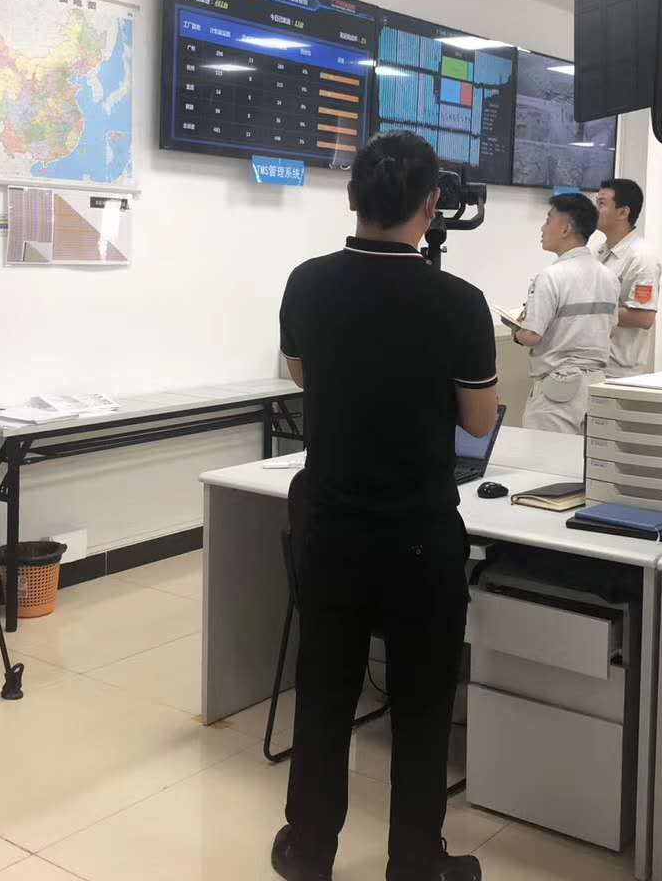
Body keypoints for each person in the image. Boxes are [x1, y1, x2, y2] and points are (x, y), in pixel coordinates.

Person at [273, 131, 497, 881]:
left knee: (324, 691)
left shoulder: (307, 282)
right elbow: (478, 422)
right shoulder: (459, 303)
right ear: (432, 206)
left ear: (352, 197)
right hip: (418, 534)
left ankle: (308, 849)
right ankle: (415, 860)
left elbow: (302, 375)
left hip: (331, 524)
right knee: (422, 702)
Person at [511, 193, 620, 434]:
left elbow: (532, 335)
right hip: (597, 387)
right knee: (587, 455)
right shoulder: (609, 277)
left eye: (548, 220)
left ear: (565, 229)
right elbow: (611, 327)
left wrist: (515, 332)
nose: (542, 228)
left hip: (558, 390)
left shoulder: (551, 277)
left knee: (545, 455)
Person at [595, 178, 662, 378]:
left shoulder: (642, 257)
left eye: (601, 204)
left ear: (623, 212)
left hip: (617, 372)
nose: (594, 210)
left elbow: (644, 317)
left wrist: (588, 311)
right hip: (592, 363)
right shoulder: (599, 252)